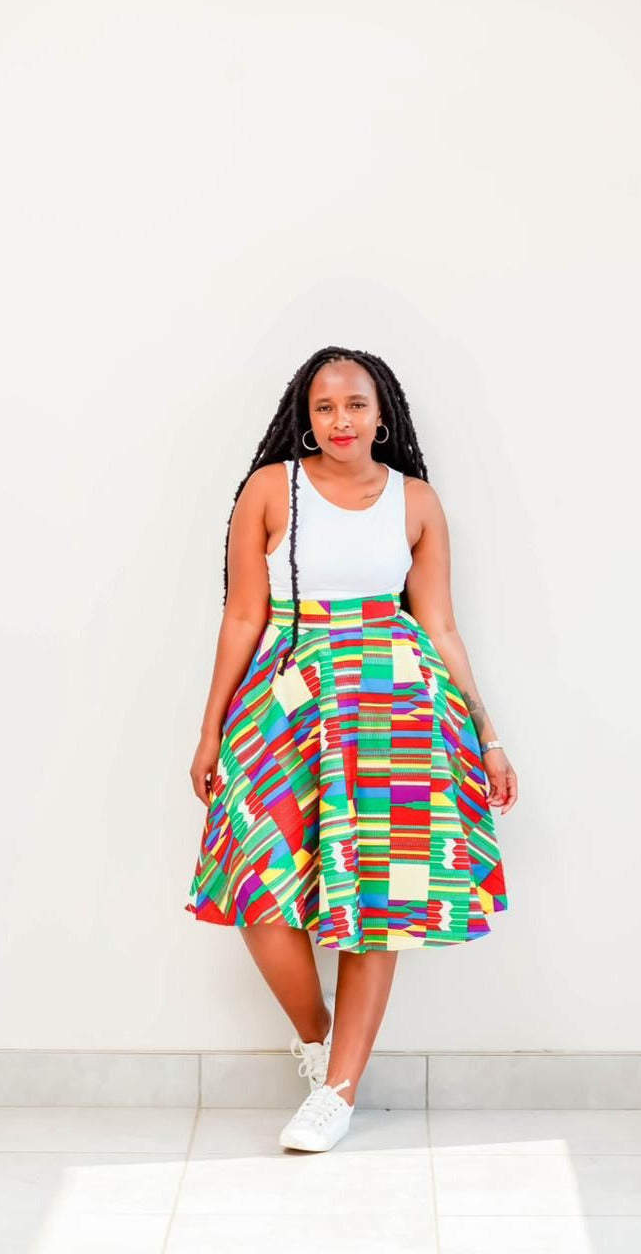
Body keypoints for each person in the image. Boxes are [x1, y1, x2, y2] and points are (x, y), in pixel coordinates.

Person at [184, 345, 516, 1151]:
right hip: (289, 697)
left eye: (356, 404)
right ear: (306, 418)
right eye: (325, 406)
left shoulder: (416, 502)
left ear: (381, 414)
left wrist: (489, 736)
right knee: (258, 883)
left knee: (381, 898)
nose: (341, 420)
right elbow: (243, 615)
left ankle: (338, 1090)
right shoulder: (271, 490)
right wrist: (210, 728)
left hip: (397, 707)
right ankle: (321, 1038)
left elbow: (440, 625)